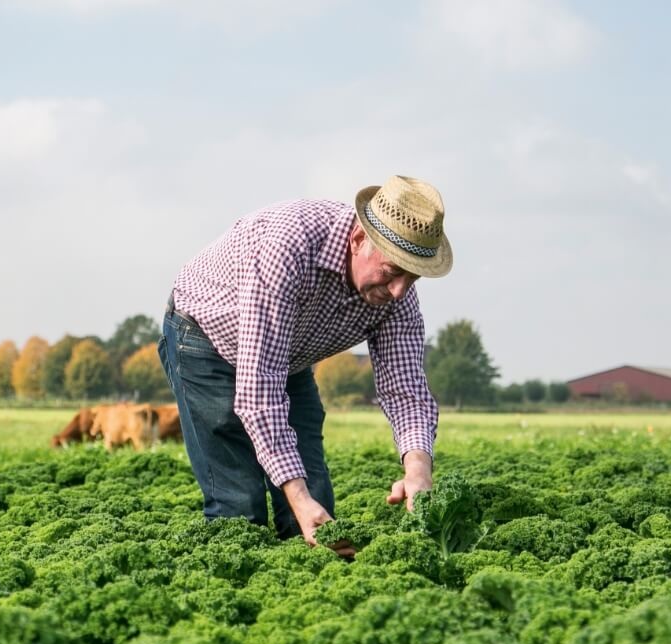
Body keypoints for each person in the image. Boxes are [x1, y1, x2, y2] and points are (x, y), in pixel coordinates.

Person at [158, 175, 452, 550]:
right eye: (393, 272)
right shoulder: (288, 248)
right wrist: (296, 497)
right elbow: (259, 390)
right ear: (359, 241)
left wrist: (418, 471)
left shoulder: (397, 299)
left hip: (289, 357)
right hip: (205, 339)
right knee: (240, 506)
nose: (399, 291)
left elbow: (406, 390)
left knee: (315, 512)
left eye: (412, 279)